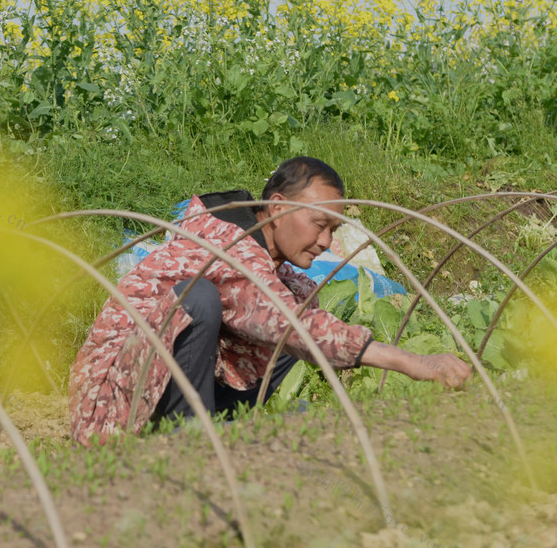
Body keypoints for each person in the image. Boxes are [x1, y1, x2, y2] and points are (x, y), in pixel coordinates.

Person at [69, 156, 472, 446]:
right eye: (319, 225)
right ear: (277, 208)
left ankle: (217, 425)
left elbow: (303, 320)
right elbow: (285, 321)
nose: (326, 242)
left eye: (333, 229)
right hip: (111, 401)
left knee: (299, 319)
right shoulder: (228, 245)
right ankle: (187, 437)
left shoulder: (270, 263)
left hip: (162, 386)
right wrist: (408, 361)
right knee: (204, 299)